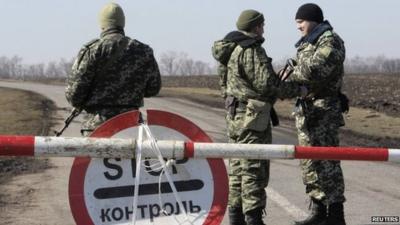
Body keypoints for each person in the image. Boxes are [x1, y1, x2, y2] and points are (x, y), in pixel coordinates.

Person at [212, 9, 303, 225]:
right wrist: (297, 90)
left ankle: (236, 218)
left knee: (237, 169)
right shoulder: (251, 49)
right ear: (256, 27)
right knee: (253, 167)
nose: (264, 29)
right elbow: (267, 85)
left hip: (234, 115)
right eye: (262, 25)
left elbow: (225, 85)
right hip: (252, 118)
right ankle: (253, 219)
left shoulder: (229, 49)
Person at [281, 3, 347, 225]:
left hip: (324, 112)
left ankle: (336, 215)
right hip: (307, 112)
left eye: (301, 21)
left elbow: (314, 70)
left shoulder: (330, 40)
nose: (298, 26)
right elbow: (296, 69)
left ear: (313, 20)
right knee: (310, 164)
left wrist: (292, 74)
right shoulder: (308, 43)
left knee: (327, 163)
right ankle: (319, 212)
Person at [65, 3, 161, 136]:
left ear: (102, 24)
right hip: (131, 128)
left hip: (98, 128)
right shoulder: (143, 51)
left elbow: (74, 96)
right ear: (122, 24)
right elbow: (153, 88)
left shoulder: (92, 51)